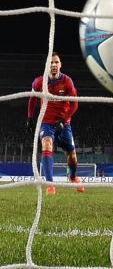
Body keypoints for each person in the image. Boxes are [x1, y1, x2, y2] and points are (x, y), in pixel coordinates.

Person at [26, 52, 84, 194]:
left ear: (60, 65)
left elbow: (75, 104)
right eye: (51, 62)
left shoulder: (67, 81)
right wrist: (30, 118)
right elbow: (32, 99)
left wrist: (64, 120)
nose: (53, 65)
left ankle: (73, 177)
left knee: (72, 154)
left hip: (64, 123)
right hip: (46, 122)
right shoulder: (39, 82)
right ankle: (50, 184)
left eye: (56, 62)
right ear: (47, 65)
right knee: (47, 145)